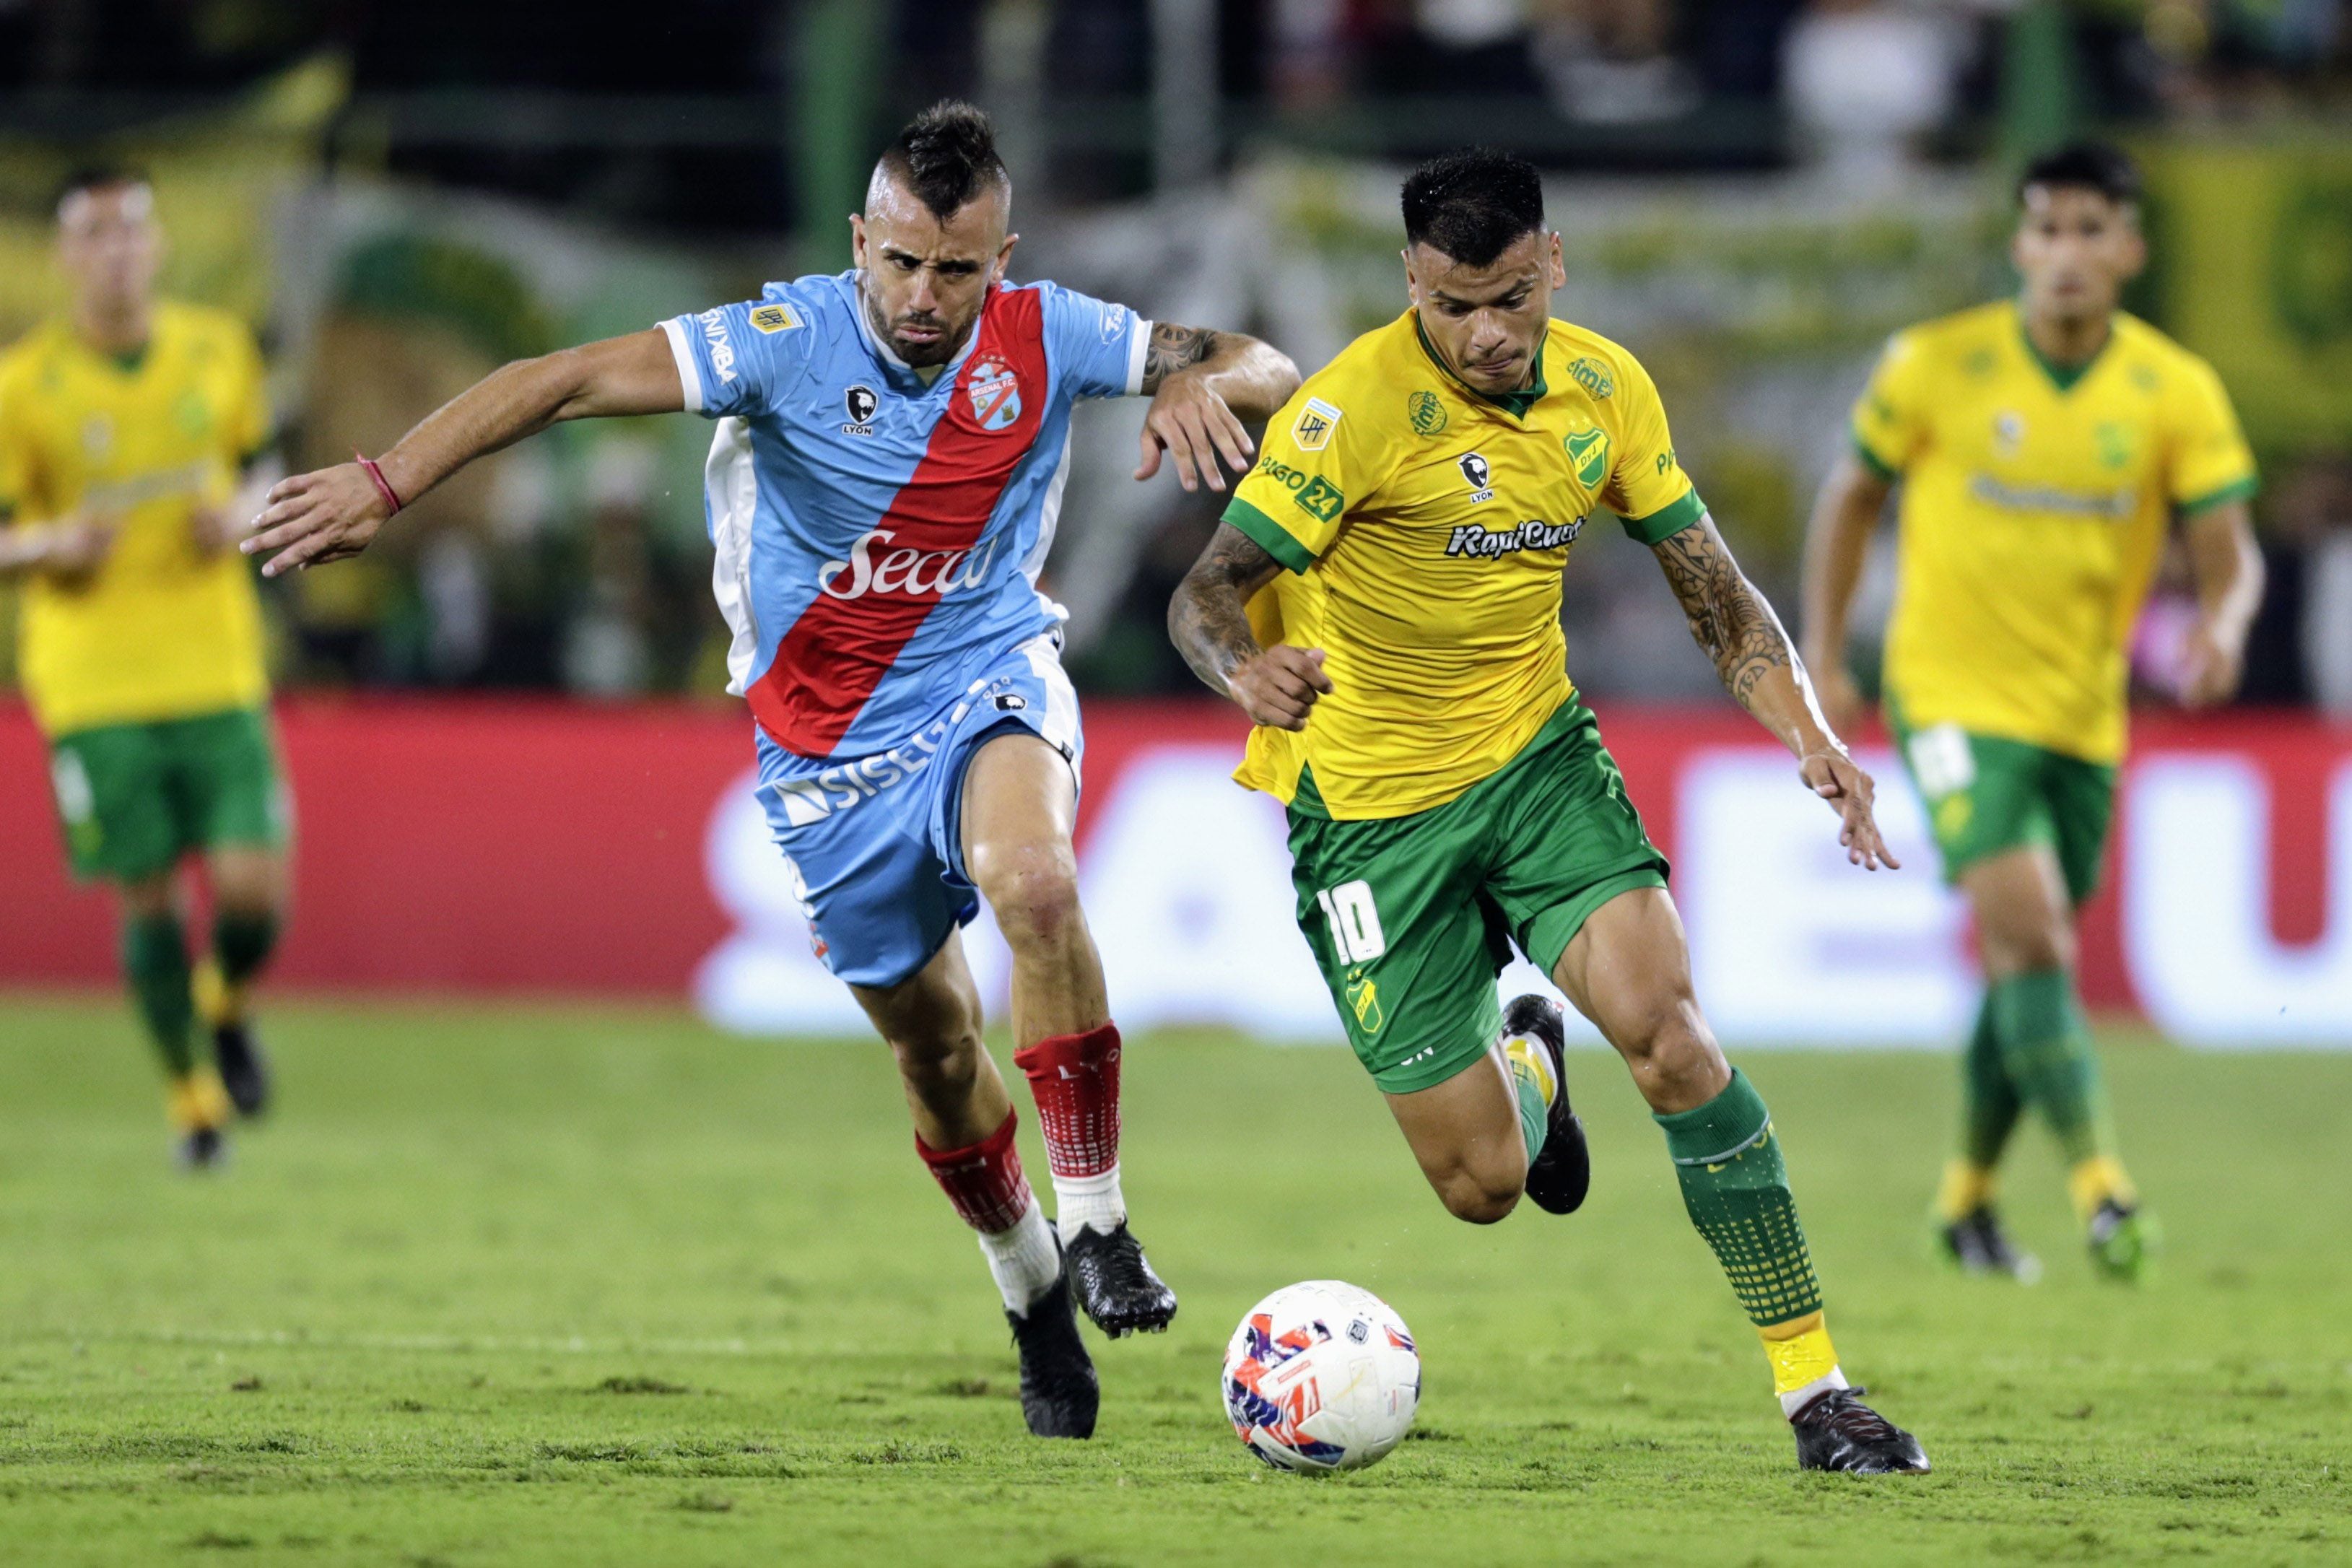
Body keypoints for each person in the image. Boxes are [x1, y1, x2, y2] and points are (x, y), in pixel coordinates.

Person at [243, 103, 1299, 1440]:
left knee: (1034, 882)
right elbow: (564, 379)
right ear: (861, 241)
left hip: (985, 677)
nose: (925, 300)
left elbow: (1264, 359)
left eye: (958, 271)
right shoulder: (776, 343)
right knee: (934, 1051)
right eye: (901, 264)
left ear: (1003, 257)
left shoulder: (1053, 336)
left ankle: (1097, 1226)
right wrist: (387, 484)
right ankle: (1030, 1285)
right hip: (824, 755)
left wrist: (1199, 376)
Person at [1167, 148, 1928, 1474]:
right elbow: (1204, 593)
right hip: (1367, 817)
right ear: (1411, 282)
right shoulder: (1348, 414)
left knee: (1673, 1039)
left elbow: (1712, 590)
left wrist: (1808, 733)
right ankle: (1526, 1053)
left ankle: (1819, 1394)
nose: (1483, 334)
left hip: (1535, 766)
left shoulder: (1605, 389)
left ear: (1552, 263)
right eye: (1451, 305)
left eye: (1509, 298)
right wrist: (1246, 666)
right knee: (1480, 1190)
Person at [1802, 141, 2262, 1284]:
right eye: (2045, 229)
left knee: (2023, 959)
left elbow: (2230, 556)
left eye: (2088, 230)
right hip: (1949, 695)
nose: (2064, 253)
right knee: (2037, 933)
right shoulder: (1934, 365)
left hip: (2081, 716)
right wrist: (1822, 653)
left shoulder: (2173, 390)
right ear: (2019, 243)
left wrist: (2225, 624)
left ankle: (1962, 1200)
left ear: (2127, 249)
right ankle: (2101, 1189)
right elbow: (1848, 499)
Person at [0, 167, 286, 1168]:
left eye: (132, 232)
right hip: (94, 683)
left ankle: (228, 996)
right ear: (65, 256)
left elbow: (263, 468)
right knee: (149, 895)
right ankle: (193, 1102)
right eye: (94, 235)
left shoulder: (218, 350)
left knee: (254, 894)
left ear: (157, 248)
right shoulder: (22, 387)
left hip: (215, 664)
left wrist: (246, 514)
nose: (116, 251)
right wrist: (48, 549)